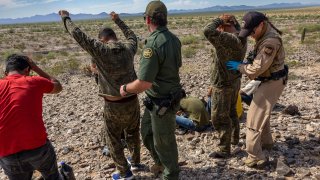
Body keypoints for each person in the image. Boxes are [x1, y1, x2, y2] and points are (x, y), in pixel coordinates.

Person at [59, 11, 141, 179]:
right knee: (133, 133)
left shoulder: (101, 50)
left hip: (113, 105)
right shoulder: (129, 48)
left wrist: (66, 18)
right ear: (114, 37)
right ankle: (136, 163)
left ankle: (125, 173)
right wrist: (118, 20)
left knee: (113, 139)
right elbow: (132, 36)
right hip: (133, 101)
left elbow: (78, 35)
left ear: (103, 39)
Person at [119, 1, 182, 179]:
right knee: (147, 131)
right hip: (161, 99)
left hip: (162, 101)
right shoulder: (173, 39)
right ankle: (161, 163)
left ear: (147, 19)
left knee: (164, 141)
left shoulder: (153, 45)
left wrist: (125, 88)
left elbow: (144, 83)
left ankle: (171, 174)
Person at [226, 11, 288, 168]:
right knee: (262, 114)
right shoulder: (264, 33)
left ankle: (255, 156)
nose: (251, 35)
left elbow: (255, 70)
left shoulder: (271, 42)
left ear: (261, 25)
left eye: (252, 32)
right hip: (269, 80)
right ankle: (267, 143)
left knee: (253, 118)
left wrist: (240, 67)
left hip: (271, 81)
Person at [0, 54, 63, 180]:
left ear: (5, 72)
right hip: (37, 148)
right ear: (27, 70)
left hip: (6, 153)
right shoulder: (34, 81)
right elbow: (57, 86)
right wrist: (36, 68)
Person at [203, 14, 247, 158]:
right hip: (234, 82)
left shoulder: (228, 39)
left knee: (220, 118)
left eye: (221, 26)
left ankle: (224, 149)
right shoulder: (241, 36)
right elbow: (238, 27)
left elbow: (207, 31)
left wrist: (218, 21)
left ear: (224, 25)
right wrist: (230, 22)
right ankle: (234, 139)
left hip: (223, 85)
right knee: (232, 112)